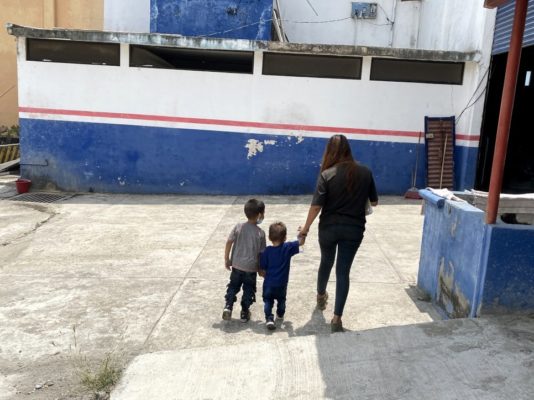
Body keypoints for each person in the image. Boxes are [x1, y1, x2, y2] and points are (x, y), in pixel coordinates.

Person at [299, 134, 378, 333]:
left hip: (328, 228)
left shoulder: (326, 174)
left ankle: (320, 295)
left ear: (330, 151)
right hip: (354, 229)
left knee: (326, 261)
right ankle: (336, 319)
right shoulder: (365, 172)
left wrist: (305, 229)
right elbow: (374, 202)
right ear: (348, 150)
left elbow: (316, 206)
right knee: (343, 271)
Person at [222, 199, 266, 322]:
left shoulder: (238, 227)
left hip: (236, 266)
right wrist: (260, 269)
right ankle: (244, 312)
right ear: (259, 215)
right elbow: (261, 254)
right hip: (251, 269)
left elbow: (229, 242)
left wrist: (227, 259)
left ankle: (228, 306)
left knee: (233, 286)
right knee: (248, 290)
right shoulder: (260, 233)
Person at [259, 222, 305, 330]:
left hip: (269, 284)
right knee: (282, 300)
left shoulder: (266, 251)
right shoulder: (288, 247)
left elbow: (262, 267)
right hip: (282, 283)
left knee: (268, 301)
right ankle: (280, 314)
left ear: (269, 237)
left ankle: (269, 319)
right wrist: (302, 233)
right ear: (285, 237)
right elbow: (301, 242)